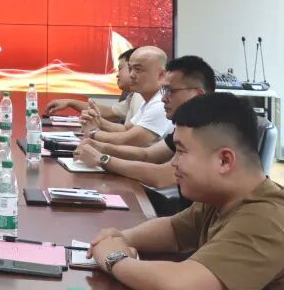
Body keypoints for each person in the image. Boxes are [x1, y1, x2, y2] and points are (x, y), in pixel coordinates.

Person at [89, 93, 284, 289]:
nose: (174, 162)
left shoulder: (267, 220)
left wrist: (115, 259)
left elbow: (181, 285)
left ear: (224, 160)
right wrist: (122, 237)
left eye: (181, 152)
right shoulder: (222, 199)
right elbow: (174, 230)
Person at [75, 55, 215, 188]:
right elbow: (147, 155)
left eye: (171, 91)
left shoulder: (207, 132)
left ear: (198, 95)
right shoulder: (185, 125)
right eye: (164, 90)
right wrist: (100, 147)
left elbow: (162, 176)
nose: (164, 98)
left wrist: (102, 158)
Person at [83, 46, 172, 147]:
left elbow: (127, 140)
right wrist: (97, 121)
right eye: (130, 69)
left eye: (138, 69)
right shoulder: (148, 100)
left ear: (161, 75)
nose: (131, 75)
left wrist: (93, 132)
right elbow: (126, 129)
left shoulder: (160, 103)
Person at [46, 48, 143, 128]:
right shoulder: (134, 96)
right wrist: (70, 102)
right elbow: (109, 112)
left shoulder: (141, 97)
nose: (117, 75)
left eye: (120, 68)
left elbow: (129, 136)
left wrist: (94, 131)